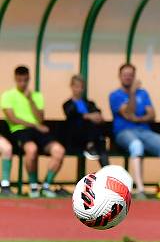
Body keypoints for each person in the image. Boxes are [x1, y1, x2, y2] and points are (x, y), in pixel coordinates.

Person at [109, 63, 160, 199]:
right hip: (124, 132)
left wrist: (138, 119)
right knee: (137, 146)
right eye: (125, 75)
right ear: (120, 76)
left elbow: (152, 115)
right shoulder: (115, 95)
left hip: (144, 131)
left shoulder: (143, 93)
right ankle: (140, 190)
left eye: (131, 75)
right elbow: (128, 113)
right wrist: (131, 94)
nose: (128, 78)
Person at [1, 65, 66, 198]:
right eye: (20, 80)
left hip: (38, 131)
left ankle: (46, 186)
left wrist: (30, 100)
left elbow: (40, 118)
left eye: (25, 80)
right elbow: (12, 119)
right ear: (15, 78)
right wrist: (35, 125)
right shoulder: (7, 95)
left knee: (59, 151)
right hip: (20, 131)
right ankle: (33, 187)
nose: (22, 83)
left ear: (29, 78)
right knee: (31, 149)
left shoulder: (36, 96)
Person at [62, 74, 109, 167]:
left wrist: (94, 117)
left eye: (81, 87)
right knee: (89, 127)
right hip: (76, 138)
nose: (79, 90)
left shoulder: (89, 103)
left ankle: (107, 170)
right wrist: (88, 116)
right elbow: (72, 116)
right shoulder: (67, 104)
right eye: (76, 86)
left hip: (93, 136)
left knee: (100, 145)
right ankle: (90, 144)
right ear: (71, 87)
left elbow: (98, 115)